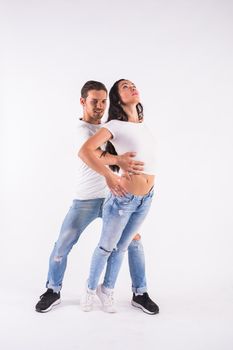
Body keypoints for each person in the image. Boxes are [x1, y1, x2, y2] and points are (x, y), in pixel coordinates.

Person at [35, 80, 159, 315]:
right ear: (82, 102)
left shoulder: (111, 126)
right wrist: (115, 166)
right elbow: (89, 154)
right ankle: (52, 289)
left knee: (134, 241)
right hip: (86, 199)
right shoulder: (81, 131)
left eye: (104, 101)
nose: (100, 106)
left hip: (117, 197)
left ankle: (140, 292)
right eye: (94, 101)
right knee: (64, 243)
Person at [79, 79, 159, 314]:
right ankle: (90, 290)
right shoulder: (114, 125)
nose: (132, 87)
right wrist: (109, 175)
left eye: (134, 84)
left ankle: (108, 290)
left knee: (122, 246)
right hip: (123, 198)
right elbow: (86, 151)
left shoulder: (142, 125)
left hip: (146, 198)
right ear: (117, 97)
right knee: (106, 247)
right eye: (125, 86)